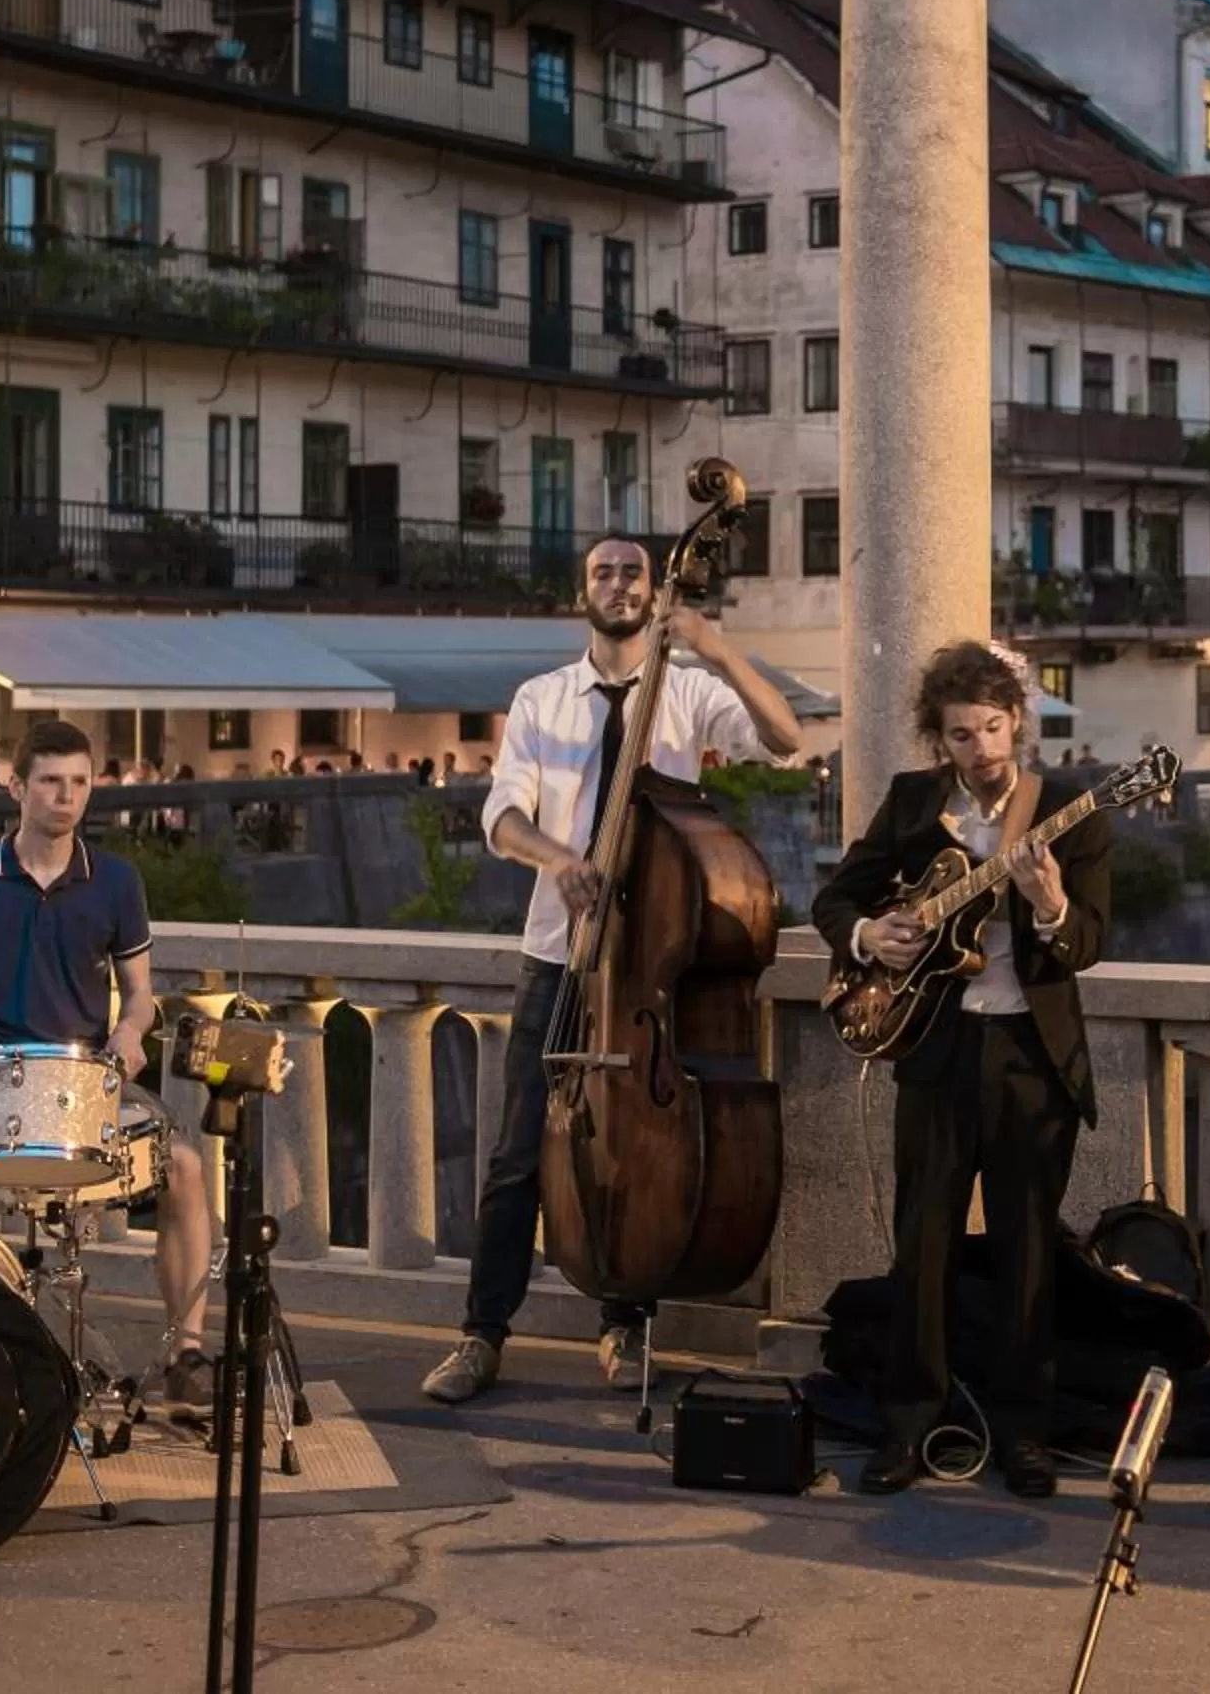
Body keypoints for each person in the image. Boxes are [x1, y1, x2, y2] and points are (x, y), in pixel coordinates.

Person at [420, 533, 804, 1406]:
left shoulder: (690, 693)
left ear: (652, 590)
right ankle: (482, 1335)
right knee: (519, 1155)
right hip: (560, 955)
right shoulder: (542, 699)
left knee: (638, 1149)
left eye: (634, 571)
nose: (621, 584)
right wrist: (562, 860)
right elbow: (501, 817)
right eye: (605, 572)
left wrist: (713, 644)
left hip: (650, 966)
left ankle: (625, 1323)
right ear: (581, 591)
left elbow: (784, 739)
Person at [811, 640, 1112, 1501]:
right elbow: (835, 898)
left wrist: (1050, 901)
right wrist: (869, 937)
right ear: (938, 742)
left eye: (991, 728)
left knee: (1027, 1255)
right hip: (935, 1053)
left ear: (1017, 722)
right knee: (923, 1247)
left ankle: (1025, 1436)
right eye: (961, 735)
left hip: (1030, 1057)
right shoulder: (913, 804)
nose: (981, 749)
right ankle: (909, 1428)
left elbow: (1089, 942)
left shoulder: (1073, 813)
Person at [0, 718, 218, 1418]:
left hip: (87, 1084)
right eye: (50, 782)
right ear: (16, 786)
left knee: (187, 1169)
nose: (66, 796)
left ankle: (186, 1354)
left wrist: (132, 1035)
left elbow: (139, 998)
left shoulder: (117, 882)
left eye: (79, 782)